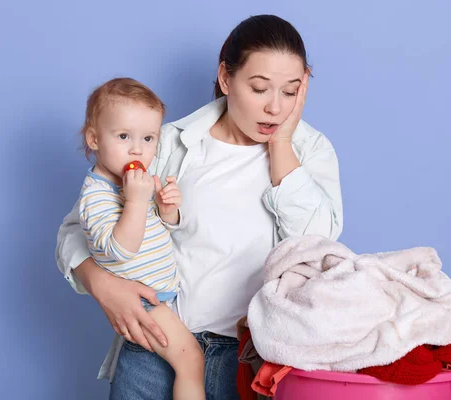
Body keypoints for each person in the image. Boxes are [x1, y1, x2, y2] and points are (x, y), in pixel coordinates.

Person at [56, 14, 343, 400]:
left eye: (290, 92)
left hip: (249, 361)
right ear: (226, 79)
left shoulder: (309, 152)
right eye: (260, 88)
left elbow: (316, 247)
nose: (275, 108)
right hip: (157, 345)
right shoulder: (167, 143)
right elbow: (76, 231)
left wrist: (281, 146)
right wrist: (104, 286)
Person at [75, 77, 205, 400]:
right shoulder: (95, 196)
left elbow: (155, 230)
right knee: (192, 363)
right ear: (94, 139)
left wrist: (166, 209)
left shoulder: (134, 180)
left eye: (148, 138)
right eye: (123, 137)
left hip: (163, 297)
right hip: (143, 302)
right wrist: (135, 201)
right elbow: (119, 250)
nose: (137, 149)